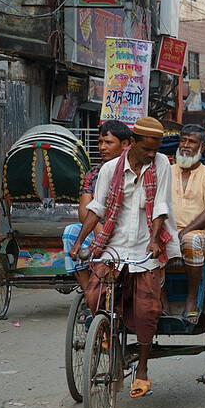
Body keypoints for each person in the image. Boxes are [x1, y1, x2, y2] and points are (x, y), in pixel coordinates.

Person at [68, 116, 180, 399]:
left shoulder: (162, 165)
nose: (152, 154)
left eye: (157, 148)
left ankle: (141, 368)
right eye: (148, 149)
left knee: (146, 310)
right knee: (95, 297)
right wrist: (80, 242)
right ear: (133, 143)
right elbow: (97, 208)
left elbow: (161, 206)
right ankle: (112, 347)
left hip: (145, 246)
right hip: (113, 245)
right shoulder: (109, 170)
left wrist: (155, 241)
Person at [62, 120, 130, 292]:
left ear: (125, 145)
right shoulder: (93, 174)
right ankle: (89, 293)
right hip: (97, 229)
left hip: (125, 231)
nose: (102, 147)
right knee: (71, 232)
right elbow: (85, 211)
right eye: (100, 142)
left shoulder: (132, 170)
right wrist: (98, 227)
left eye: (108, 142)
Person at [168, 124, 205, 322]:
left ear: (202, 146)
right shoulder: (166, 171)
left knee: (190, 240)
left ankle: (191, 298)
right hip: (166, 232)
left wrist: (182, 233)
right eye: (183, 140)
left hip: (199, 234)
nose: (186, 145)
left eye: (192, 141)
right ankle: (160, 300)